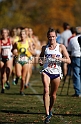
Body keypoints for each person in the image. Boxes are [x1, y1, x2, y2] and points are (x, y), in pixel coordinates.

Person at [39, 28, 71, 123]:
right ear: (47, 37)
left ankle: (50, 108)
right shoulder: (44, 48)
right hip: (46, 71)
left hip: (56, 73)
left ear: (56, 37)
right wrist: (41, 61)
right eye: (50, 37)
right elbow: (41, 60)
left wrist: (59, 59)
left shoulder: (61, 47)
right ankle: (47, 113)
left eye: (53, 36)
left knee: (53, 95)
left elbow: (68, 60)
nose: (51, 38)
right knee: (46, 90)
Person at [67, 26, 81, 97]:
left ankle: (78, 92)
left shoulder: (72, 39)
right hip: (77, 56)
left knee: (76, 75)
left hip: (76, 57)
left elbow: (69, 50)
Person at [0, 28, 13, 93]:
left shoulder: (10, 40)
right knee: (2, 74)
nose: (4, 34)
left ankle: (7, 80)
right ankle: (2, 87)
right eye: (3, 32)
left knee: (8, 70)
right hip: (2, 58)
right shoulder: (0, 41)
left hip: (9, 57)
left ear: (7, 33)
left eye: (5, 32)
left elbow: (14, 48)